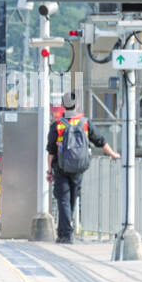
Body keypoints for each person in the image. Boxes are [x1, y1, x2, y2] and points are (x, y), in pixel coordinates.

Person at [46, 94, 119, 244]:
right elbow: (100, 141)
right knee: (72, 199)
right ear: (77, 105)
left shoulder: (57, 125)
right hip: (79, 167)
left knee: (63, 200)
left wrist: (49, 171)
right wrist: (112, 154)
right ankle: (64, 232)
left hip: (61, 167)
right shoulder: (85, 123)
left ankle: (66, 234)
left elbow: (51, 151)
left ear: (63, 106)